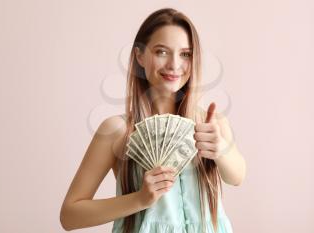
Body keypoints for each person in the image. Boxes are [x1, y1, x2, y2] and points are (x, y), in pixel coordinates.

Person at [60, 7, 246, 233]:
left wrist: (220, 150)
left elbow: (237, 177)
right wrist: (139, 199)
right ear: (139, 55)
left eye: (185, 54)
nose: (174, 65)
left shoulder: (211, 123)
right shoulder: (117, 130)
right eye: (161, 52)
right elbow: (70, 215)